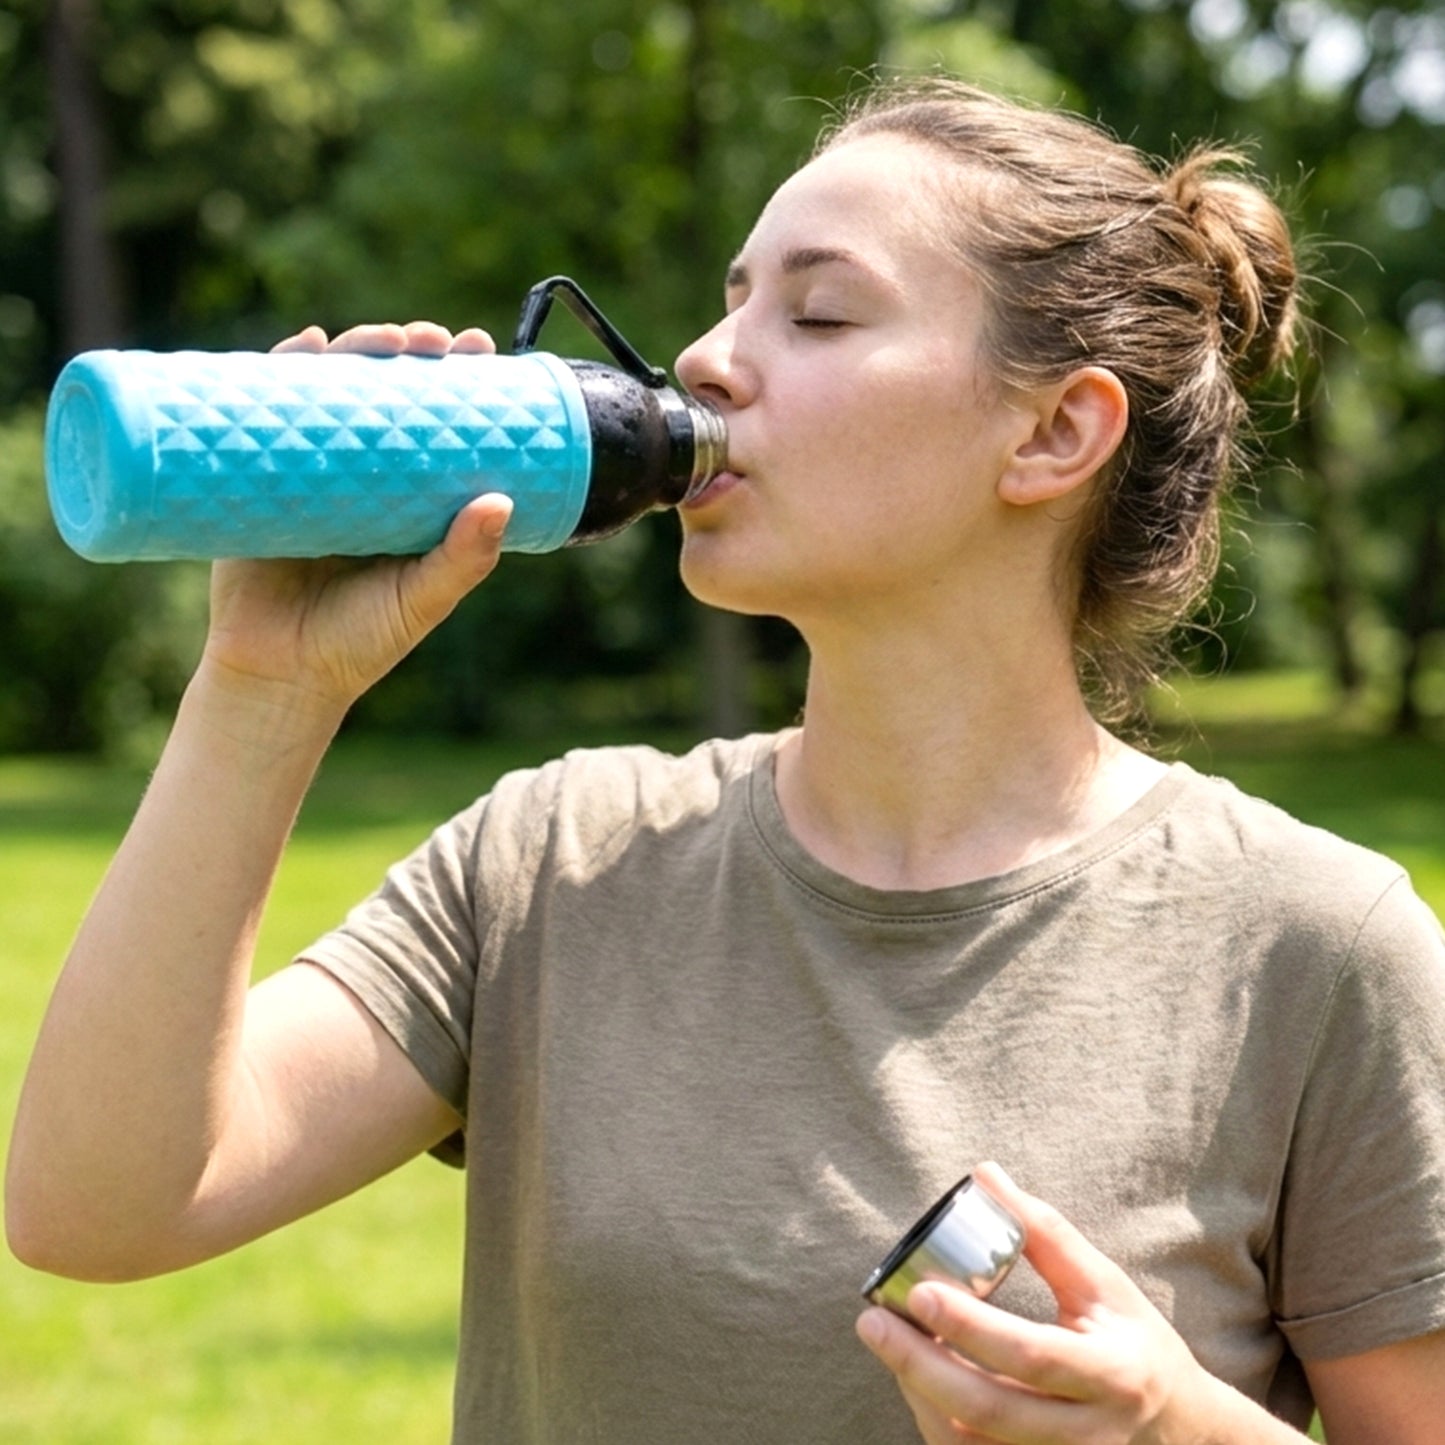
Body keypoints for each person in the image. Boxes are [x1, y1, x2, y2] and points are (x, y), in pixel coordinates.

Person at [7, 75, 1445, 1444]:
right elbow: (97, 1204)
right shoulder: (553, 862)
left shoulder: (1311, 946)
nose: (701, 358)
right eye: (729, 301)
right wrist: (265, 688)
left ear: (1054, 429)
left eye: (817, 314)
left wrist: (1177, 1423)